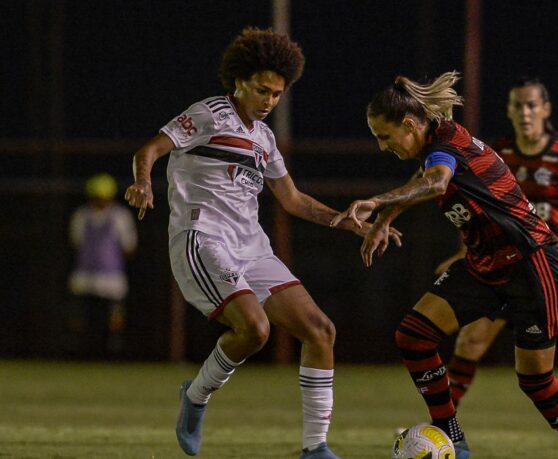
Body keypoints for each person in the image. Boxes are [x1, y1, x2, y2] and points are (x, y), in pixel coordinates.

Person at [124, 27, 399, 458]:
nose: (269, 101)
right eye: (262, 91)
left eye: (277, 94)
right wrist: (143, 182)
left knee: (321, 330)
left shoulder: (265, 139)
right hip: (203, 238)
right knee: (254, 329)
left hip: (252, 247)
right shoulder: (209, 114)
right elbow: (150, 149)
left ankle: (315, 449)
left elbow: (291, 199)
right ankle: (195, 396)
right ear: (239, 82)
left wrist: (347, 222)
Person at [331, 72, 558, 459]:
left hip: (531, 261)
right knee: (414, 335)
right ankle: (451, 435)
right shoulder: (434, 144)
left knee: (536, 380)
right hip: (485, 263)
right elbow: (424, 176)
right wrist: (386, 219)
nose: (381, 145)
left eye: (384, 136)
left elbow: (437, 182)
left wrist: (374, 203)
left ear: (408, 124)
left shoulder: (447, 143)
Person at [439, 77, 558, 453]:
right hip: (504, 268)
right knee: (471, 340)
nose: (525, 112)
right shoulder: (497, 153)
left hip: (554, 272)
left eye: (531, 105)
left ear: (546, 110)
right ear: (509, 111)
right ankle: (445, 425)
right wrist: (465, 253)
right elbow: (477, 210)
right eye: (517, 105)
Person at [67, 172, 137, 359]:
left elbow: (129, 247)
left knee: (114, 315)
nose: (100, 202)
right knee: (81, 314)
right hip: (85, 274)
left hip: (111, 276)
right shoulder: (81, 215)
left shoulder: (120, 216)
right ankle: (79, 350)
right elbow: (77, 242)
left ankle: (113, 350)